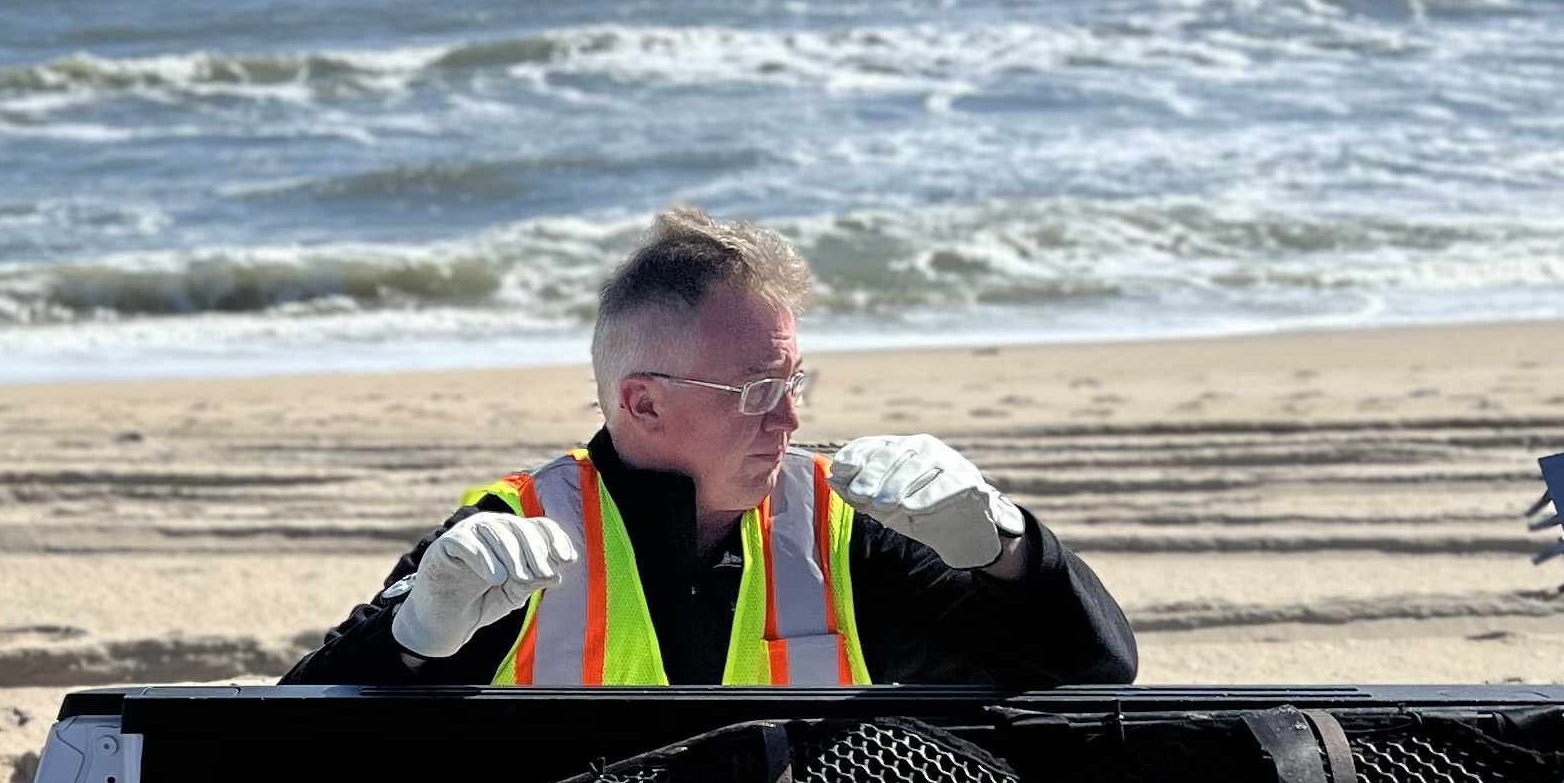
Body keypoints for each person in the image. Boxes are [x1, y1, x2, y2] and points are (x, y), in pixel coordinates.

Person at [286, 207, 1139, 690]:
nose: (790, 419)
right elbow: (291, 743)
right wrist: (414, 636)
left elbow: (1095, 676)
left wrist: (1006, 549)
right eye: (756, 391)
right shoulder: (511, 531)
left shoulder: (847, 527)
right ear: (642, 401)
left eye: (796, 383)